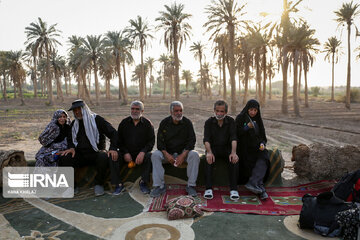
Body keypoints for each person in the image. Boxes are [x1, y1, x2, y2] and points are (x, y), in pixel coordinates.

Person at [59, 99, 118, 196]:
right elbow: (70, 140)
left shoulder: (97, 120)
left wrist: (112, 148)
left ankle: (99, 184)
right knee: (65, 157)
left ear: (85, 109)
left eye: (79, 109)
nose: (77, 112)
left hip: (95, 153)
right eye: (75, 110)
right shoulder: (74, 124)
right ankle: (72, 186)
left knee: (103, 156)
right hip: (80, 154)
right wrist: (71, 148)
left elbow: (113, 133)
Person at [150, 101, 200, 198]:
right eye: (176, 111)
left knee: (194, 155)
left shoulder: (187, 123)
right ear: (171, 112)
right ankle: (159, 186)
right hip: (167, 154)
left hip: (183, 153)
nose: (179, 113)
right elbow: (160, 143)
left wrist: (183, 155)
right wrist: (167, 155)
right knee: (155, 155)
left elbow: (191, 141)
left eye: (180, 110)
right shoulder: (164, 123)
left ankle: (191, 186)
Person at [110, 100, 155, 195]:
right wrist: (125, 152)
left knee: (150, 156)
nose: (134, 111)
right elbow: (119, 141)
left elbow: (151, 142)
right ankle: (118, 184)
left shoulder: (147, 124)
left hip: (141, 154)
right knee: (113, 156)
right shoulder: (124, 123)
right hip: (126, 154)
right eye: (132, 109)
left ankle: (143, 183)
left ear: (142, 111)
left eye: (137, 109)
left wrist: (143, 152)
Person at [203, 100, 239, 200]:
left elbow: (233, 138)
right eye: (217, 111)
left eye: (222, 111)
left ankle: (233, 189)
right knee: (208, 160)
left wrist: (233, 152)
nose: (219, 114)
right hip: (213, 148)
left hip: (227, 148)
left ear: (226, 112)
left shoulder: (231, 121)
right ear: (214, 111)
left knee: (234, 160)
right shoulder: (209, 122)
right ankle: (208, 188)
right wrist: (209, 152)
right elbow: (206, 139)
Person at [235, 99, 269, 200]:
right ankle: (261, 189)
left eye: (255, 110)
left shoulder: (258, 119)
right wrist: (247, 127)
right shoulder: (241, 118)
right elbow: (236, 133)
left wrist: (262, 143)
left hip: (256, 147)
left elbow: (263, 136)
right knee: (250, 159)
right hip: (243, 148)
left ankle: (254, 183)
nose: (253, 112)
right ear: (247, 109)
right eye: (251, 110)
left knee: (264, 156)